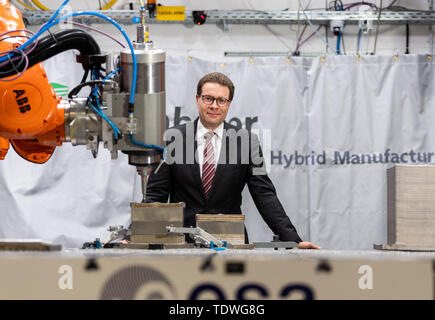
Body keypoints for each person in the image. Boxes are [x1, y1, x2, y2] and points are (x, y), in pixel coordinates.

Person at [146, 72, 320, 249]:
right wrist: (138, 234)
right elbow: (155, 196)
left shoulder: (247, 142)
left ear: (229, 104)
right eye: (208, 99)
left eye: (221, 100)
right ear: (197, 99)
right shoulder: (172, 140)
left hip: (231, 244)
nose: (214, 106)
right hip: (182, 243)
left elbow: (264, 194)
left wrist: (293, 240)